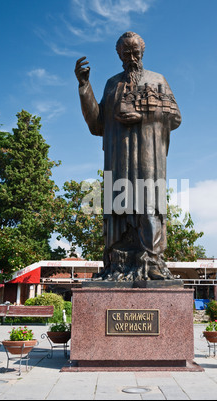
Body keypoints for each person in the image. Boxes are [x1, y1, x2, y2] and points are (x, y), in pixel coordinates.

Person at [75, 32, 181, 282]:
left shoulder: (158, 80)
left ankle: (152, 260)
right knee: (117, 208)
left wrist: (143, 117)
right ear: (119, 55)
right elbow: (97, 124)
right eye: (126, 53)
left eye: (136, 52)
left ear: (143, 52)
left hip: (148, 157)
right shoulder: (112, 84)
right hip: (119, 157)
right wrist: (84, 87)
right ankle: (115, 263)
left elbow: (175, 118)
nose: (132, 57)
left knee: (149, 206)